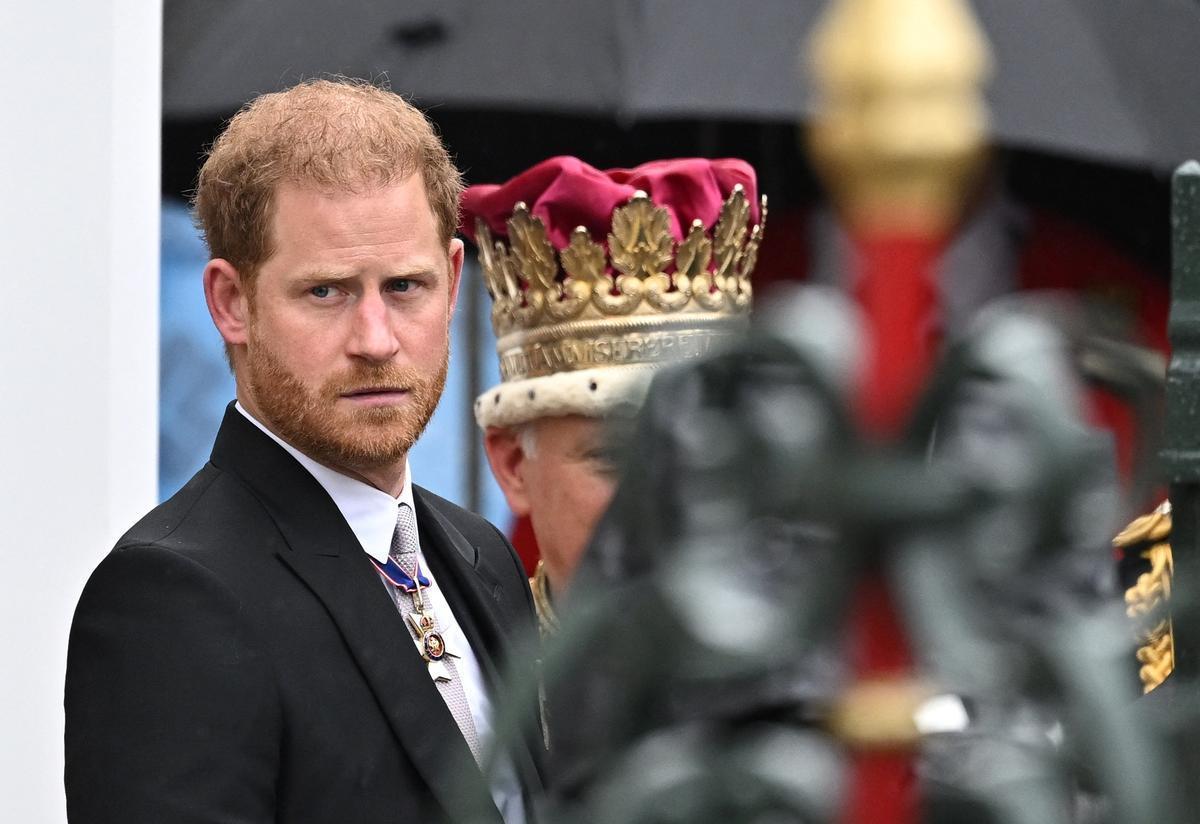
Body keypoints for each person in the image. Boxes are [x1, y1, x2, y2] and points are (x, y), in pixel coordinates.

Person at [65, 79, 539, 824]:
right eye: (327, 292)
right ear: (230, 302)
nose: (377, 340)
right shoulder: (171, 598)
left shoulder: (484, 556)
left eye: (406, 286)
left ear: (453, 284)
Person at [460, 156, 764, 633]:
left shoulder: (842, 682)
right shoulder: (464, 686)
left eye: (703, 452)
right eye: (616, 457)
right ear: (514, 464)